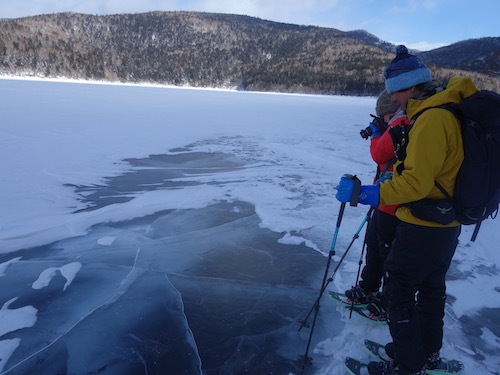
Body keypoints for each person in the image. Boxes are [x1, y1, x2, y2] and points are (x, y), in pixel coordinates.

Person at [336, 45, 479, 375]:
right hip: (445, 223)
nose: (395, 101)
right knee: (431, 291)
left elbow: (416, 182)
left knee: (397, 294)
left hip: (423, 224)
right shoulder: (447, 112)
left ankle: (407, 364)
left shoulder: (432, 118)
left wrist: (367, 193)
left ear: (409, 86)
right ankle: (426, 353)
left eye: (394, 93)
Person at [345, 90, 408, 308]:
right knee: (373, 244)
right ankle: (368, 287)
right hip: (382, 198)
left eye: (384, 116)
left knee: (389, 253)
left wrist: (376, 135)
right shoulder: (394, 124)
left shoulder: (403, 124)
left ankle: (387, 300)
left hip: (394, 202)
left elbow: (379, 154)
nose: (382, 120)